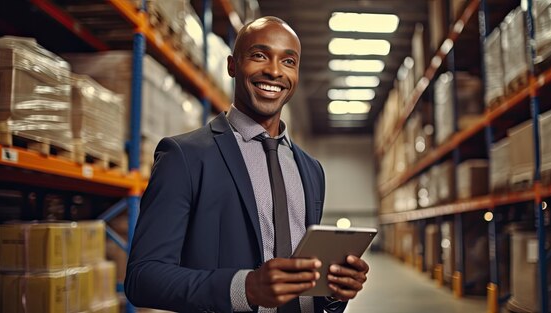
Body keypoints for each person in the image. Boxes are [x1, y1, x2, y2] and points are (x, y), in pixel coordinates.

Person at [124, 16, 370, 313]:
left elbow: (306, 283)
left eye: (288, 61)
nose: (274, 71)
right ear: (232, 65)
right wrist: (245, 288)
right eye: (259, 56)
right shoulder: (185, 156)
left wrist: (334, 292)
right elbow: (143, 278)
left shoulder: (311, 170)